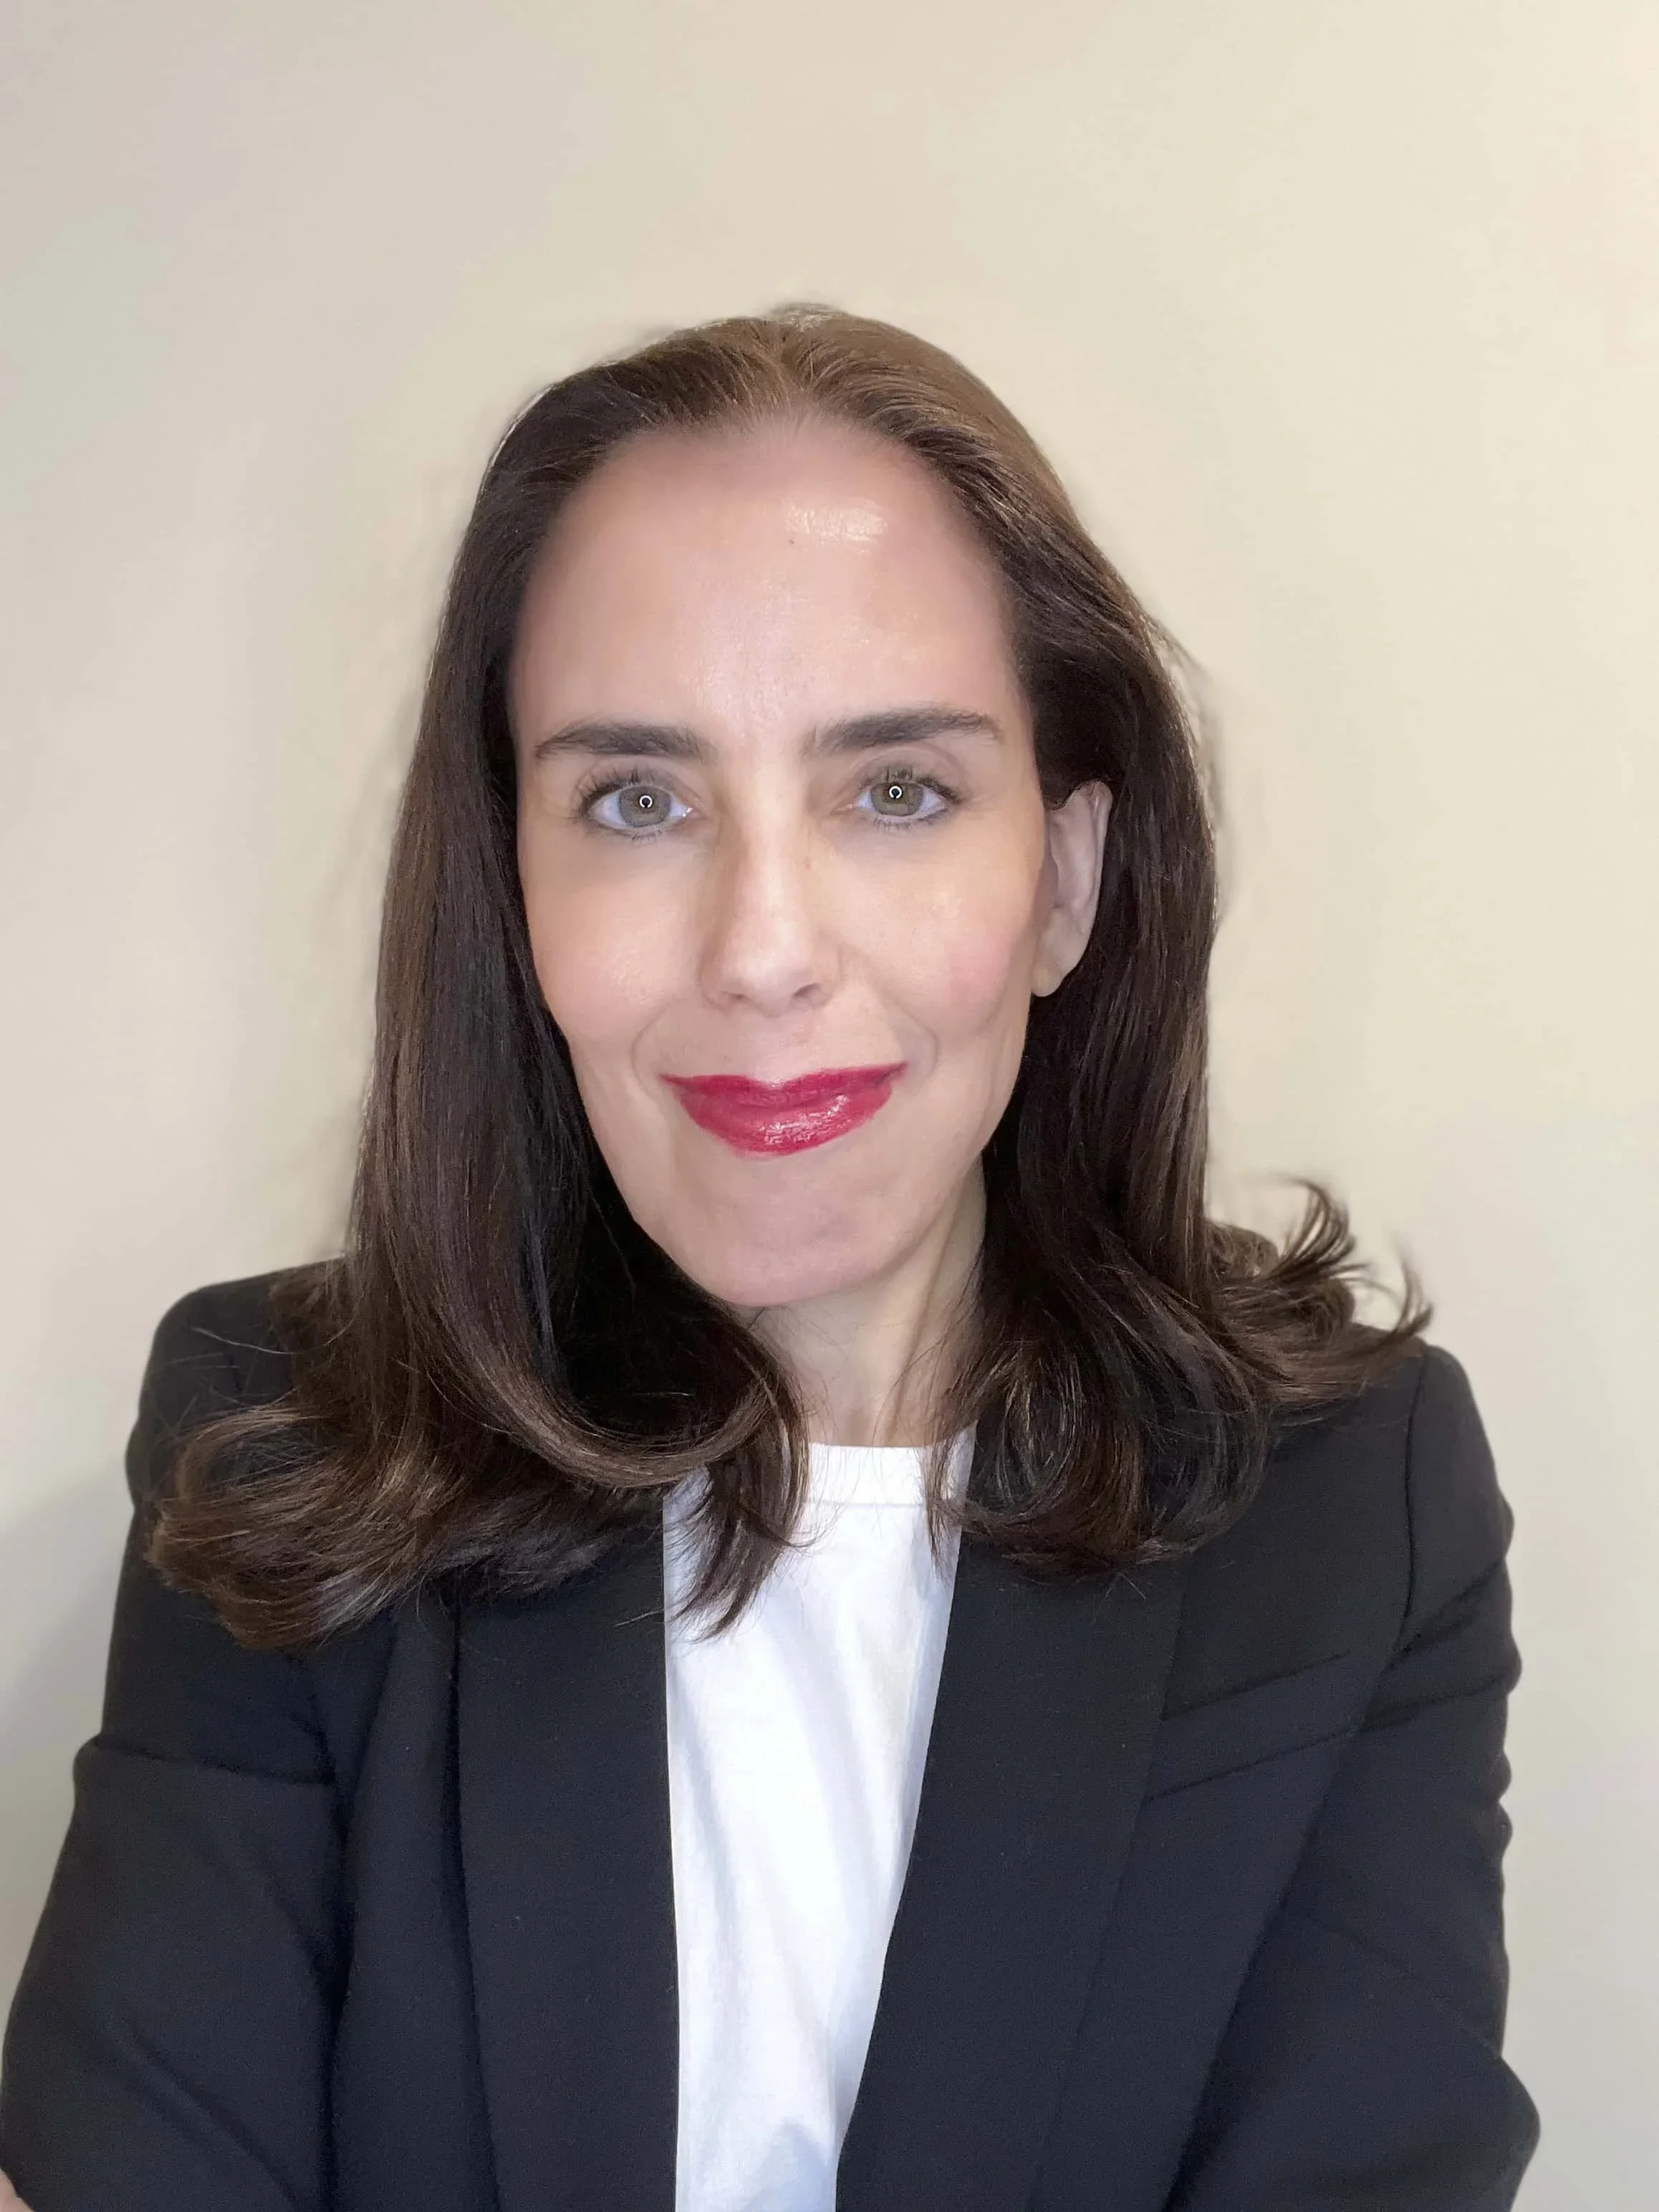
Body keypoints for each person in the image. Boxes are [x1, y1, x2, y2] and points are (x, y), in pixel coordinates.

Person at [0, 306, 1539, 2211]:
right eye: (635, 800)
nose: (760, 948)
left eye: (896, 788)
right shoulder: (287, 1438)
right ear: (514, 888)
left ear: (1062, 880)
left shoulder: (1346, 1501)